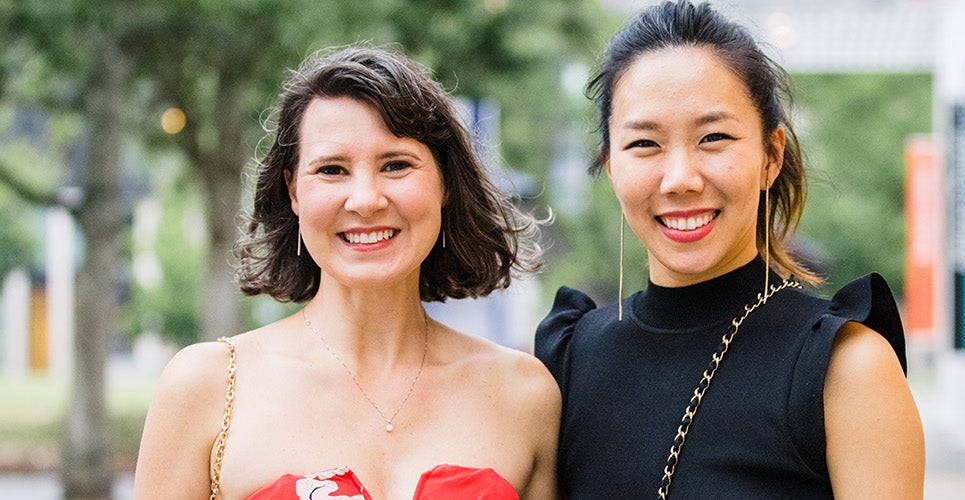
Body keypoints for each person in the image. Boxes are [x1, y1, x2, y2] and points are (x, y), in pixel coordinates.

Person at [534, 2, 925, 498]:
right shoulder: (567, 359)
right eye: (645, 144)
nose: (680, 179)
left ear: (771, 156)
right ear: (611, 166)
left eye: (713, 138)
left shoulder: (846, 368)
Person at [135, 45, 557, 500]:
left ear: (445, 183)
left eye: (396, 165)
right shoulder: (209, 388)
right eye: (332, 170)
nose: (366, 200)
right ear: (293, 192)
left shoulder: (525, 395)